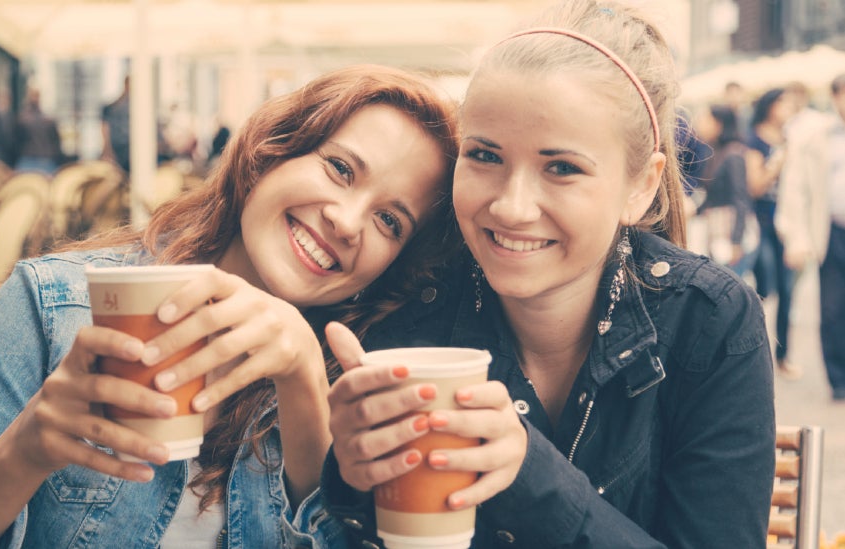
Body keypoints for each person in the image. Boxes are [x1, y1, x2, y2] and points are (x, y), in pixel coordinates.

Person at [0, 64, 461, 548]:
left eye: (390, 220)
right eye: (339, 168)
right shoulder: (54, 308)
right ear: (271, 150)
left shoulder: (366, 380)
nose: (348, 221)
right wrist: (22, 453)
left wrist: (304, 380)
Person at [320, 2, 776, 548]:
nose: (511, 207)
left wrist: (532, 476)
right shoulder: (410, 311)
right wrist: (352, 481)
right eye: (485, 156)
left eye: (562, 168)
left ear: (641, 186)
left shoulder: (709, 320)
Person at [776, 73, 845, 402]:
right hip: (831, 232)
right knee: (831, 309)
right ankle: (839, 379)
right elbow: (795, 189)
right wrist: (796, 238)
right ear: (835, 97)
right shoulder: (818, 137)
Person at [746, 87, 800, 379]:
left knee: (788, 291)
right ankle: (757, 353)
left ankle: (783, 356)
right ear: (770, 106)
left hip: (787, 224)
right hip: (762, 223)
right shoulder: (755, 139)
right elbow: (755, 186)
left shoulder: (792, 138)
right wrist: (778, 163)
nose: (789, 109)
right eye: (784, 103)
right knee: (765, 289)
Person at [693, 104, 759, 276]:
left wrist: (736, 242)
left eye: (705, 119)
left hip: (731, 231)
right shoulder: (716, 152)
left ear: (718, 124)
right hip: (719, 228)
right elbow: (712, 195)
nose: (700, 124)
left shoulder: (733, 154)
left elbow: (740, 197)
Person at [13, 88, 64, 175]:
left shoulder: (22, 120)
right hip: (46, 161)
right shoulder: (48, 120)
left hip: (27, 159)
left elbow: (15, 143)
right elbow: (56, 144)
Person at [101, 76, 132, 172]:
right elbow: (104, 128)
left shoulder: (140, 109)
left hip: (131, 150)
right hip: (118, 150)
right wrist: (107, 149)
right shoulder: (112, 108)